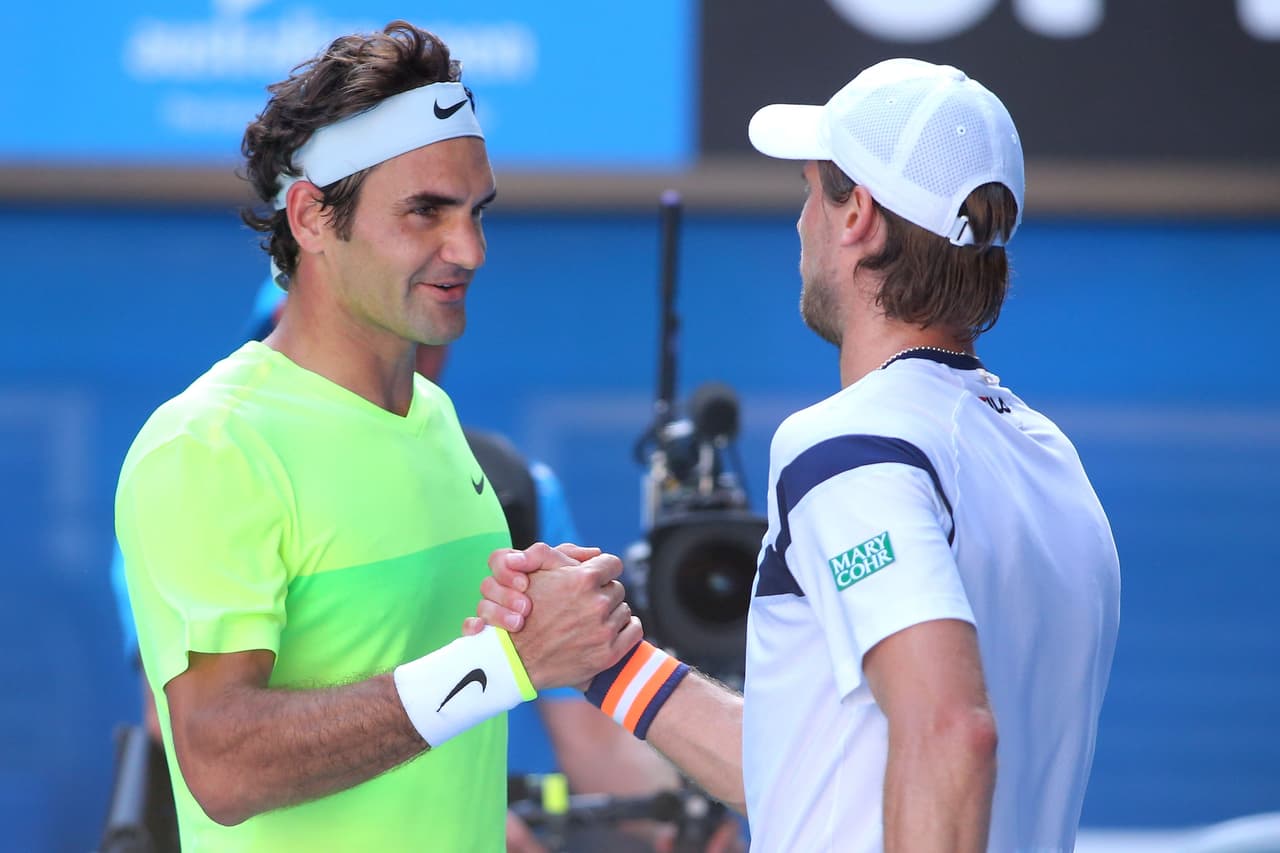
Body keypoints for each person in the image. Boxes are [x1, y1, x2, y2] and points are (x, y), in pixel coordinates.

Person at [472, 58, 1122, 852]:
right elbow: (811, 775)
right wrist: (606, 658)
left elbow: (950, 729)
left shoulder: (852, 447)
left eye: (814, 189)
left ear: (859, 219)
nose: (800, 221)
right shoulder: (1049, 459)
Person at [113, 21, 641, 851]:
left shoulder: (434, 420)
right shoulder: (211, 442)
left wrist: (532, 620)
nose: (467, 248)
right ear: (313, 215)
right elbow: (222, 765)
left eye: (475, 211)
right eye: (425, 210)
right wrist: (504, 665)